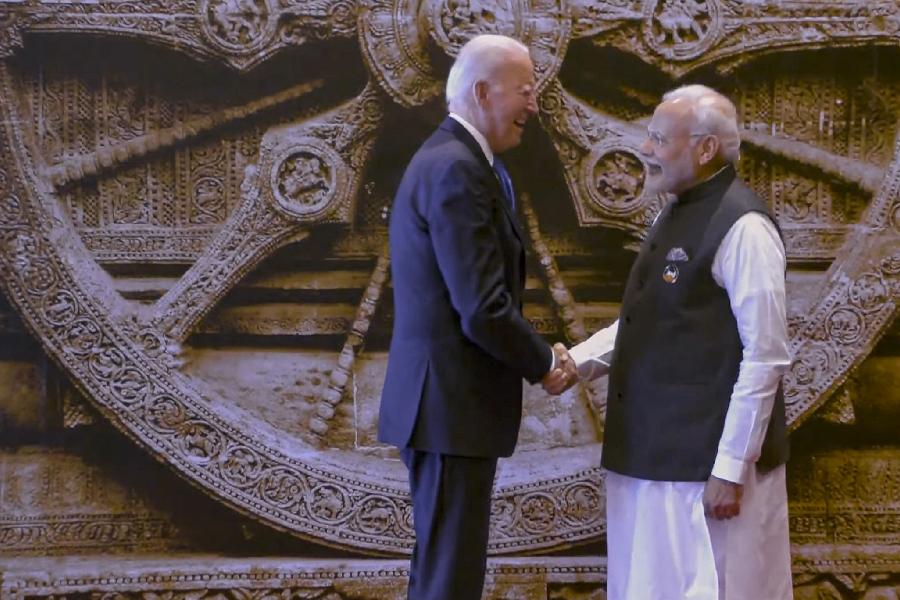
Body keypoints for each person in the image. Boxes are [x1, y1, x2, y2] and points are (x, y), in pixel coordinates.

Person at [567, 85, 793, 599]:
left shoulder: (745, 228)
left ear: (705, 148)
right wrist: (579, 362)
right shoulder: (675, 211)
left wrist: (731, 470)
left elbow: (765, 356)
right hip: (651, 459)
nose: (645, 150)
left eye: (658, 139)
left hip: (703, 473)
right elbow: (651, 321)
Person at [378, 34, 576, 600]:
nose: (534, 105)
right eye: (526, 90)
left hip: (447, 408)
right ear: (483, 92)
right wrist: (544, 362)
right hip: (449, 409)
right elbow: (483, 308)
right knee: (450, 579)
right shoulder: (458, 169)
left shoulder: (454, 161)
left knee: (443, 569)